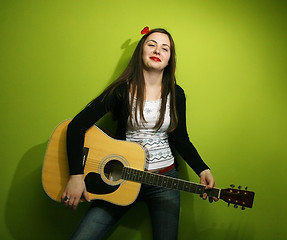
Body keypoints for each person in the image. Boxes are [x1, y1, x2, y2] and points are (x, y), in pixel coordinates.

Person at [61, 27, 217, 240]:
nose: (157, 50)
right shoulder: (120, 91)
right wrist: (76, 176)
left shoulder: (176, 94)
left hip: (165, 180)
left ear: (169, 59)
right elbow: (76, 126)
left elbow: (181, 139)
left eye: (165, 48)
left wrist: (202, 169)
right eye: (151, 44)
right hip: (122, 177)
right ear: (141, 50)